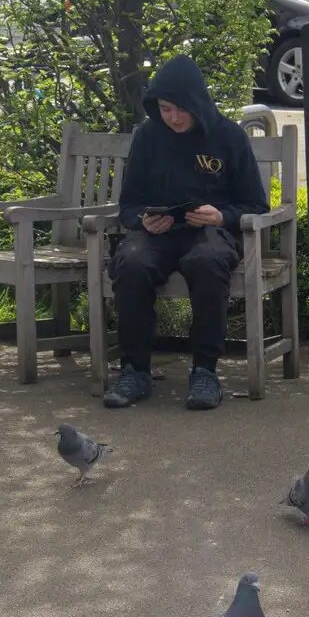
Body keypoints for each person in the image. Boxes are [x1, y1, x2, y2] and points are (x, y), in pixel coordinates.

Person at [103, 55, 268, 411]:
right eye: (164, 109)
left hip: (210, 233)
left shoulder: (228, 137)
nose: (173, 118)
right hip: (157, 233)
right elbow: (129, 205)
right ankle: (135, 371)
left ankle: (205, 372)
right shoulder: (148, 137)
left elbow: (256, 205)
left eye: (181, 109)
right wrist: (142, 221)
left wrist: (221, 216)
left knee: (207, 262)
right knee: (130, 262)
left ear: (197, 102)